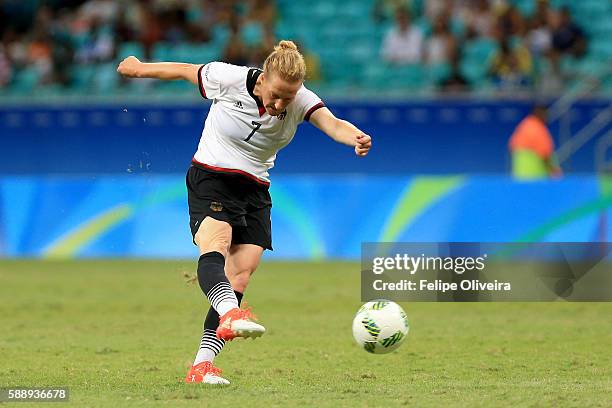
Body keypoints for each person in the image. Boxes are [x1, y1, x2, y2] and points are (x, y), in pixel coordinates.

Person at [117, 40, 372, 384]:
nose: (281, 103)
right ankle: (231, 313)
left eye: (289, 97)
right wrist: (137, 67)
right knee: (216, 244)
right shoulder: (229, 78)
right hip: (212, 175)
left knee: (241, 274)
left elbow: (332, 123)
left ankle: (202, 367)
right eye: (277, 94)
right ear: (263, 77)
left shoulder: (300, 101)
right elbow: (184, 70)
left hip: (254, 189)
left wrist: (355, 136)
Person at [508, 105, 561, 179]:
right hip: (536, 178)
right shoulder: (539, 129)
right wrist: (555, 171)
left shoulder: (524, 125)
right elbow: (546, 154)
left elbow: (512, 145)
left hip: (519, 177)